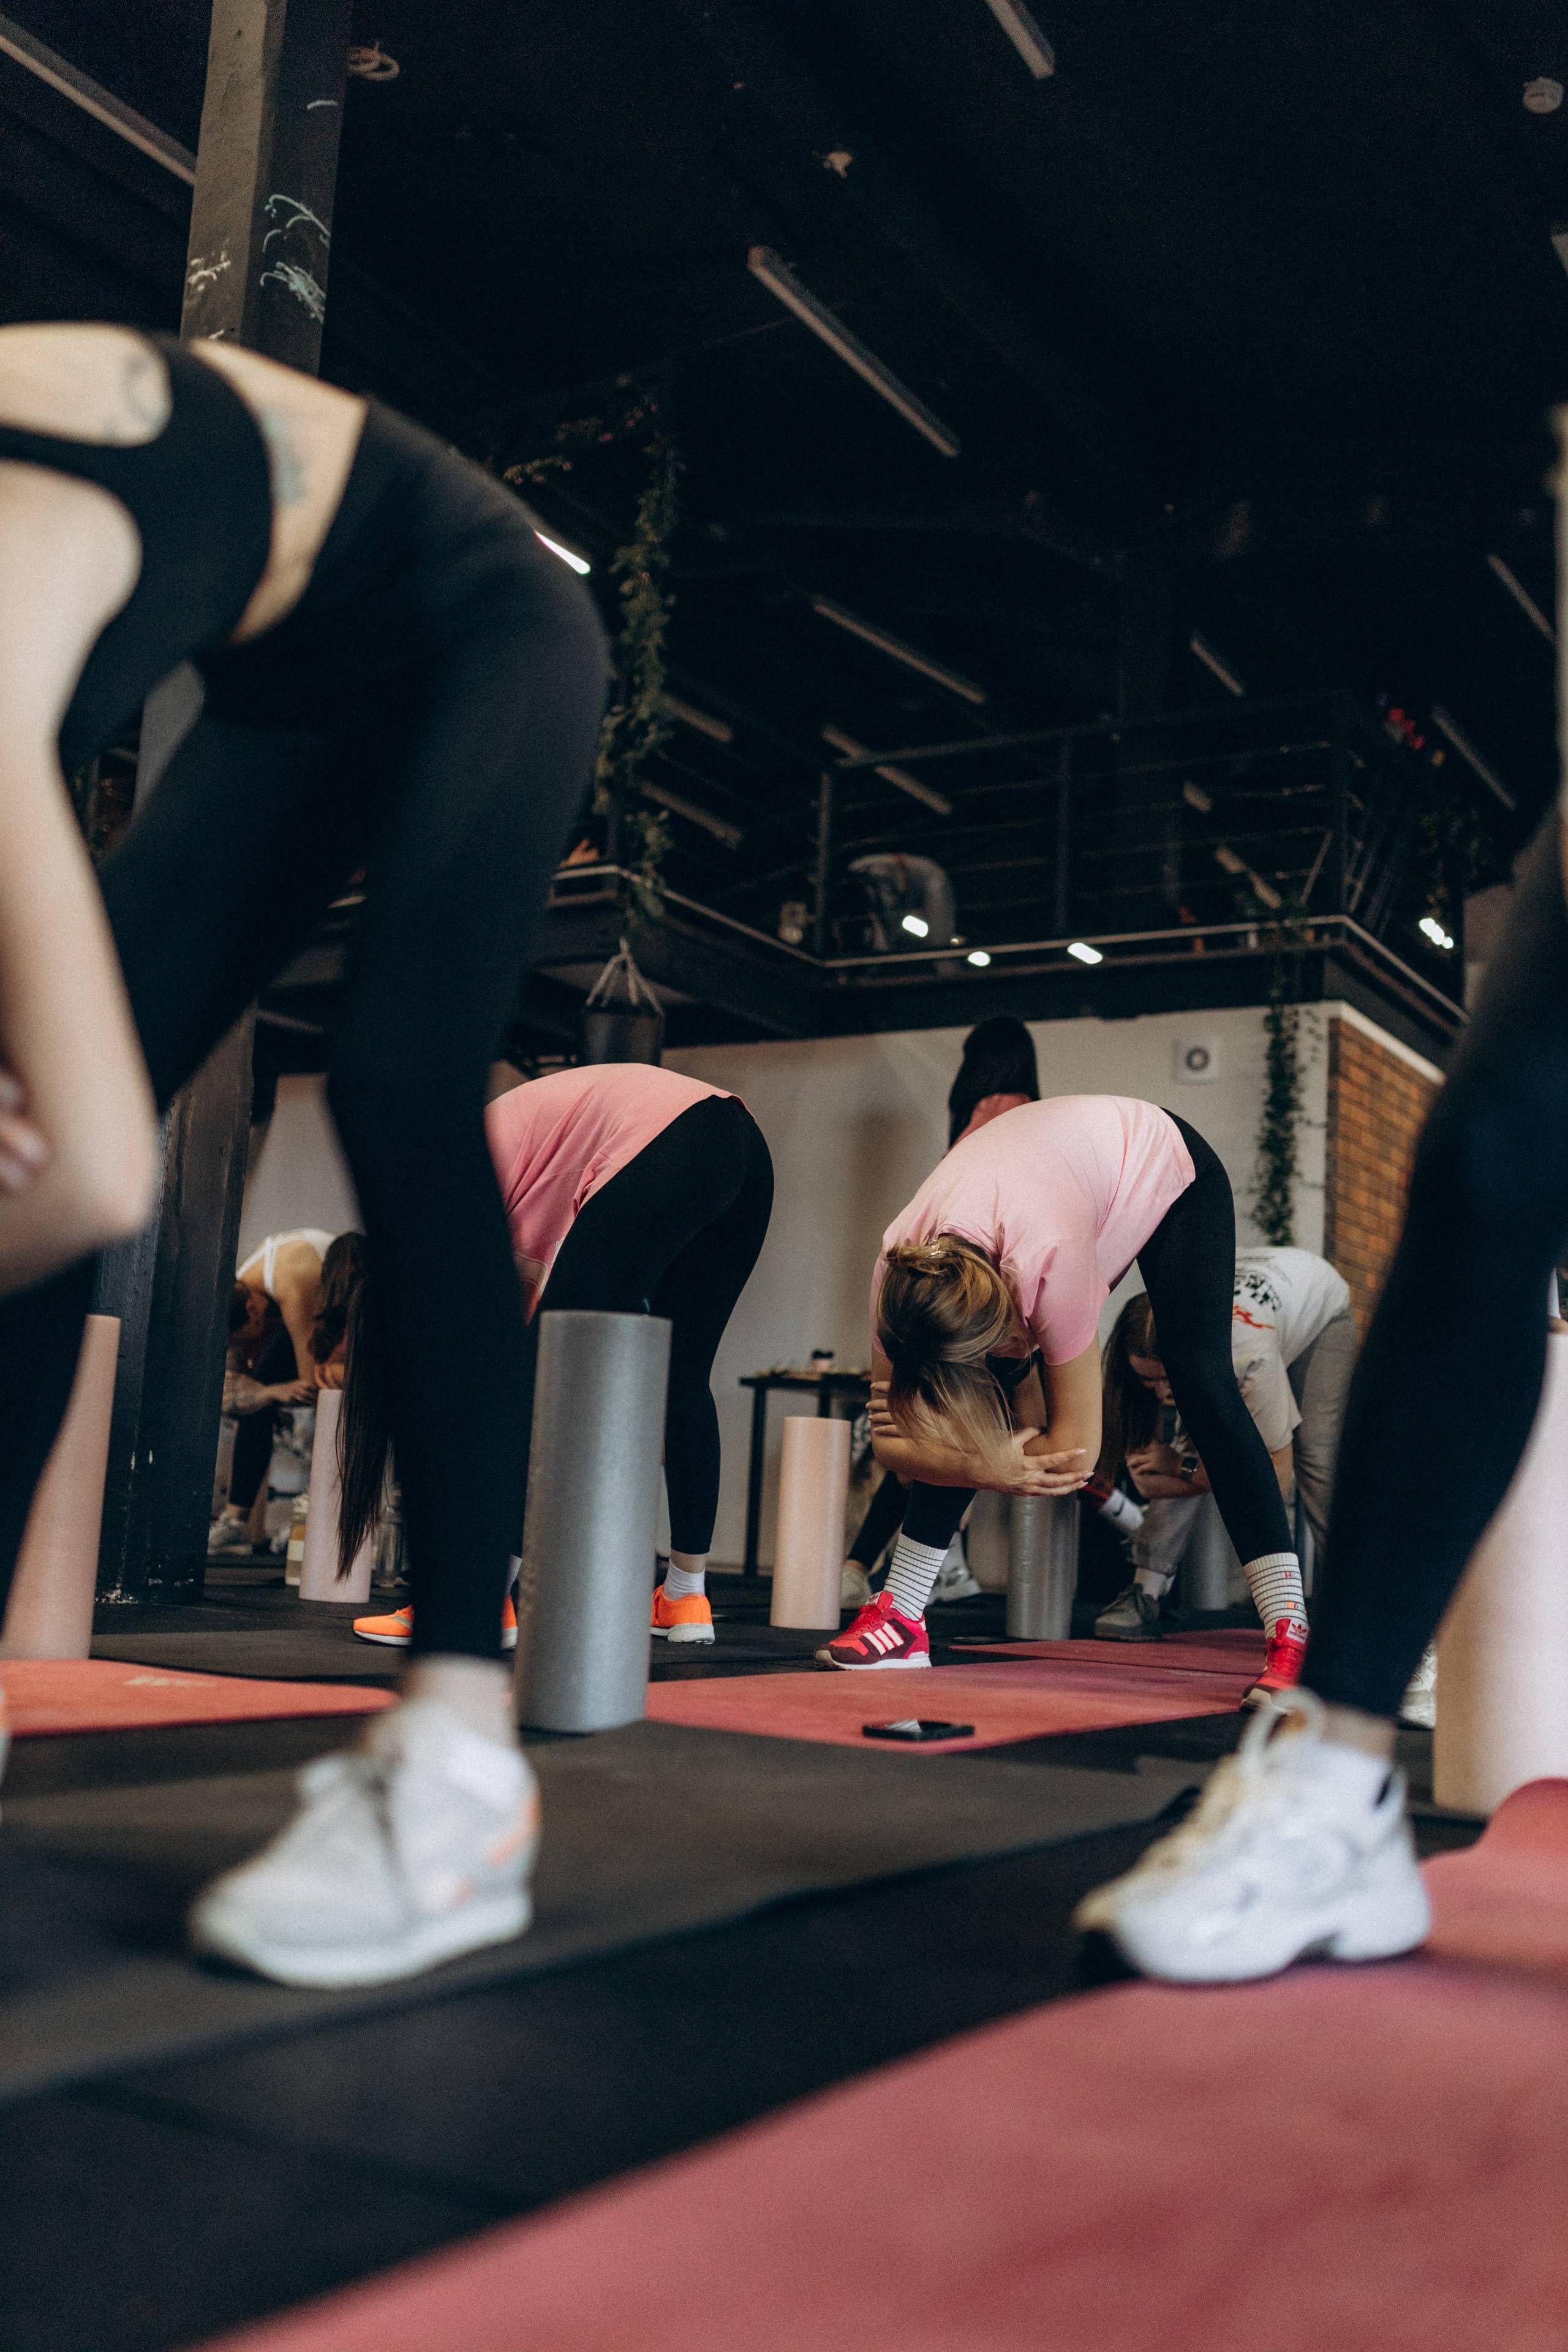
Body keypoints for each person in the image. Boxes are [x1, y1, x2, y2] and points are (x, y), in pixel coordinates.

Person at [0, 320, 608, 1988]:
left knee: (403, 1082)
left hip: (487, 619)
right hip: (287, 690)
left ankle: (459, 1771)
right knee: (33, 1122)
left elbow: (103, 1181)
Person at [1074, 482, 1568, 1975]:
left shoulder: (1218, 1326)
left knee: (1312, 1456)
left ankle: (1335, 1657)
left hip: (1310, 1320)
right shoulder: (1130, 1338)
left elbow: (1264, 1441)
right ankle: (1337, 1761)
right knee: (1484, 1159)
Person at [819, 1095, 1303, 1680]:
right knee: (969, 1431)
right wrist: (986, 1466)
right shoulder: (898, 1276)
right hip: (1048, 1170)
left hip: (1162, 1159)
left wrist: (975, 1458)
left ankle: (1291, 1634)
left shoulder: (1052, 1258)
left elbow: (1077, 1454)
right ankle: (901, 1616)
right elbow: (896, 1450)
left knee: (1202, 1380)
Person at [336, 1064, 773, 1651]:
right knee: (683, 1374)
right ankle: (684, 1595)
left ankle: (483, 1602)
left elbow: (492, 1371)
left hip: (667, 1140)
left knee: (546, 1370)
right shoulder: (459, 1179)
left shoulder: (432, 1210)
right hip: (742, 1145)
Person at [841, 1016, 1043, 1612]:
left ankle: (884, 1576)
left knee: (931, 1434)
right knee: (951, 1436)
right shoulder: (1021, 1111)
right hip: (988, 1304)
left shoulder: (986, 1114)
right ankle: (913, 1576)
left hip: (952, 1301)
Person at [1093, 1245, 1355, 1657]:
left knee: (1317, 1458)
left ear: (1185, 1362)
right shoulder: (1156, 1351)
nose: (1162, 1394)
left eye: (1168, 1380)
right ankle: (1145, 1590)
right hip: (1255, 1292)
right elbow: (1167, 1477)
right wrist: (1179, 1468)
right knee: (1196, 1438)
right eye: (1148, 1381)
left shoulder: (1249, 1357)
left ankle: (1355, 1604)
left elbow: (1275, 1479)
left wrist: (1180, 1466)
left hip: (1319, 1306)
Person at [210, 1227, 337, 1554]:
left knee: (317, 1390)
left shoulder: (292, 1288)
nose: (247, 1346)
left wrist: (271, 1392)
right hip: (317, 1309)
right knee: (262, 1393)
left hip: (352, 1315)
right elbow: (230, 1394)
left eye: (245, 1337)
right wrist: (269, 1395)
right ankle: (237, 1521)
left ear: (253, 1311)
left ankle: (319, 1516)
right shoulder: (240, 1291)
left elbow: (313, 1388)